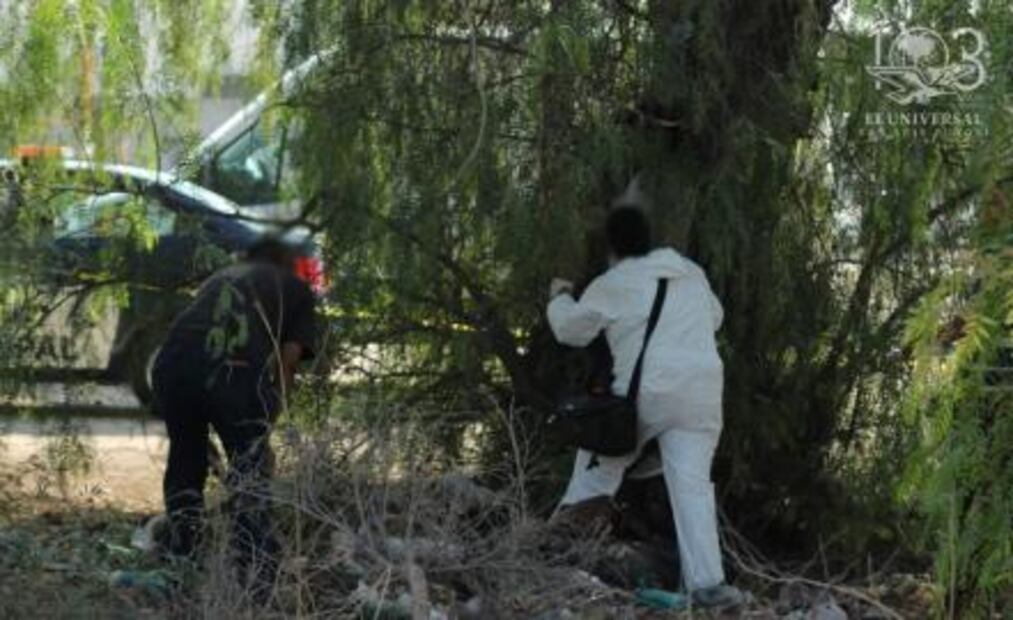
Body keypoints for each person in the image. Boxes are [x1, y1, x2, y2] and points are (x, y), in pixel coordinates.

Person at [546, 204, 743, 607]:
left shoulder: (614, 281)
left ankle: (552, 564)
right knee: (691, 487)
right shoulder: (691, 272)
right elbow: (716, 317)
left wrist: (559, 297)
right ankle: (707, 585)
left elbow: (570, 331)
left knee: (596, 476)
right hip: (702, 392)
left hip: (646, 397)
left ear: (613, 247)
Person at [152, 238, 317, 599]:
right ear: (288, 261)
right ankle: (256, 582)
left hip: (171, 365)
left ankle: (182, 564)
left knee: (185, 462)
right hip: (231, 370)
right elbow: (288, 363)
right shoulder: (297, 289)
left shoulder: (221, 276)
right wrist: (265, 429)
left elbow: (194, 336)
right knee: (251, 476)